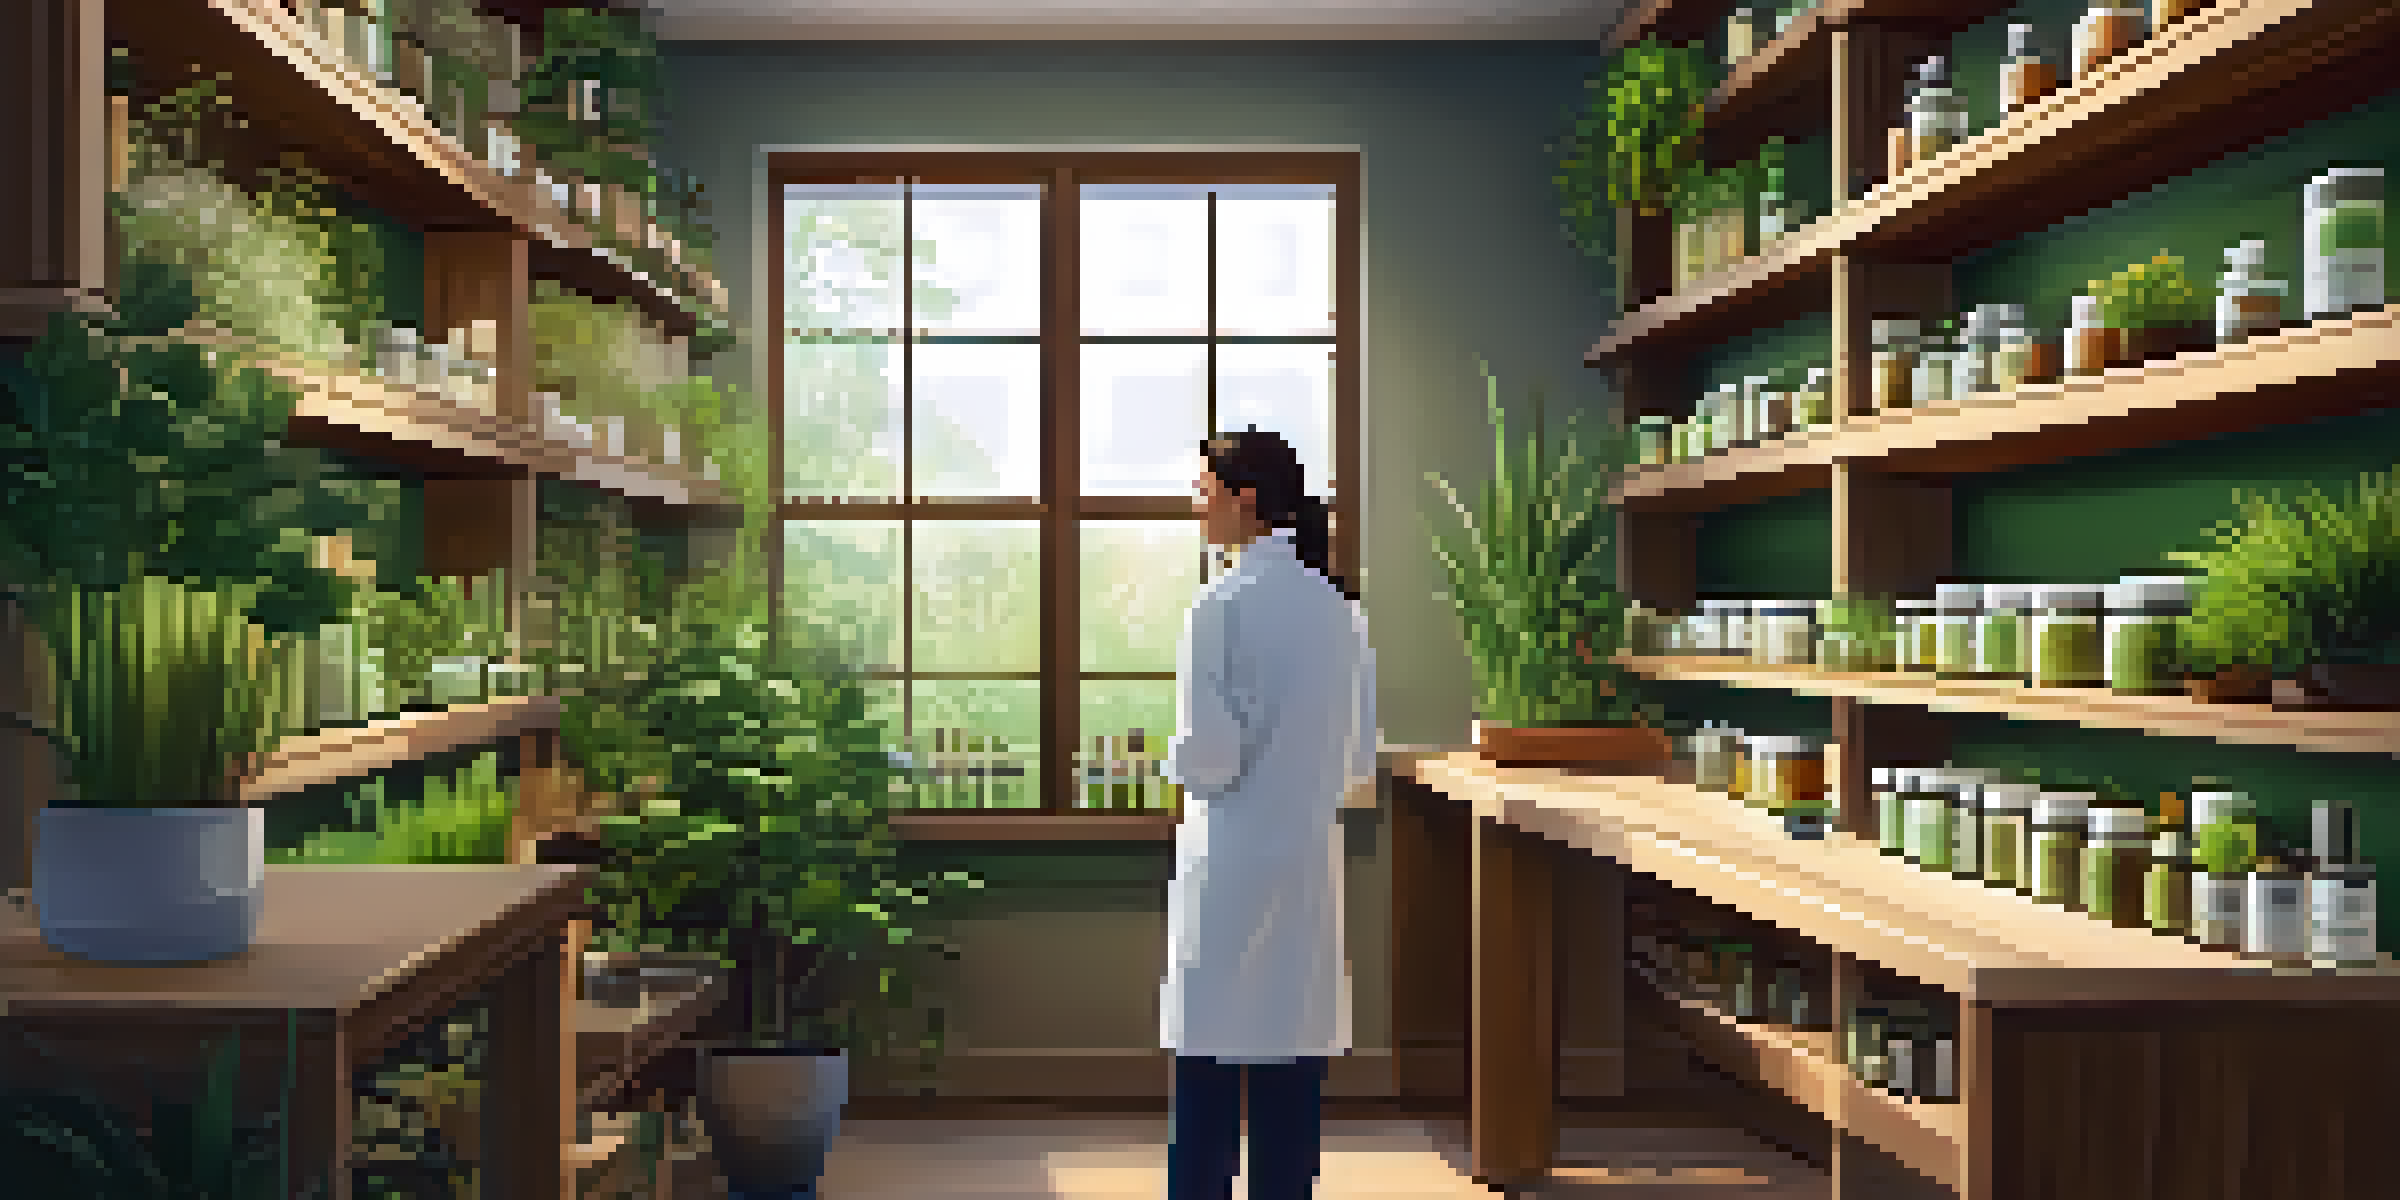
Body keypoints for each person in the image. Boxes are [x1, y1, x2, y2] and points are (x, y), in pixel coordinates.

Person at [1162, 427, 1378, 1200]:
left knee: (1208, 1077)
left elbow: (1210, 758)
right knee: (1292, 1074)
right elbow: (1358, 762)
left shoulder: (1219, 607)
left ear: (1244, 502)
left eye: (1203, 491)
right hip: (1307, 867)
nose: (1195, 506)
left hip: (1229, 869)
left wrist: (1171, 762)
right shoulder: (1342, 613)